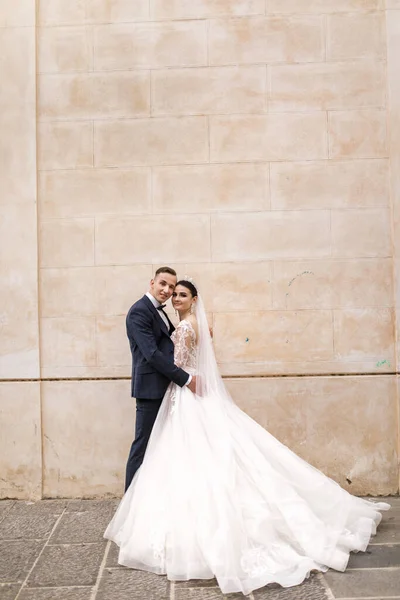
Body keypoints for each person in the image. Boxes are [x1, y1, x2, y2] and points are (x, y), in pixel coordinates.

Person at [106, 279, 390, 596]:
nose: (175, 298)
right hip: (187, 391)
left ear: (194, 299)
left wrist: (176, 369)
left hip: (183, 392)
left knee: (182, 455)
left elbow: (177, 362)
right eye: (174, 294)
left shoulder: (186, 328)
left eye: (181, 294)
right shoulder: (189, 324)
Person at [124, 267, 196, 491]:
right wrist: (186, 379)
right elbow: (152, 354)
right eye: (163, 284)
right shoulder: (140, 311)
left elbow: (173, 344)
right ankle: (130, 501)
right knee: (143, 446)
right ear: (152, 283)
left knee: (162, 446)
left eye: (171, 287)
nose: (167, 290)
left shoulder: (159, 311)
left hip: (166, 389)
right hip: (149, 390)